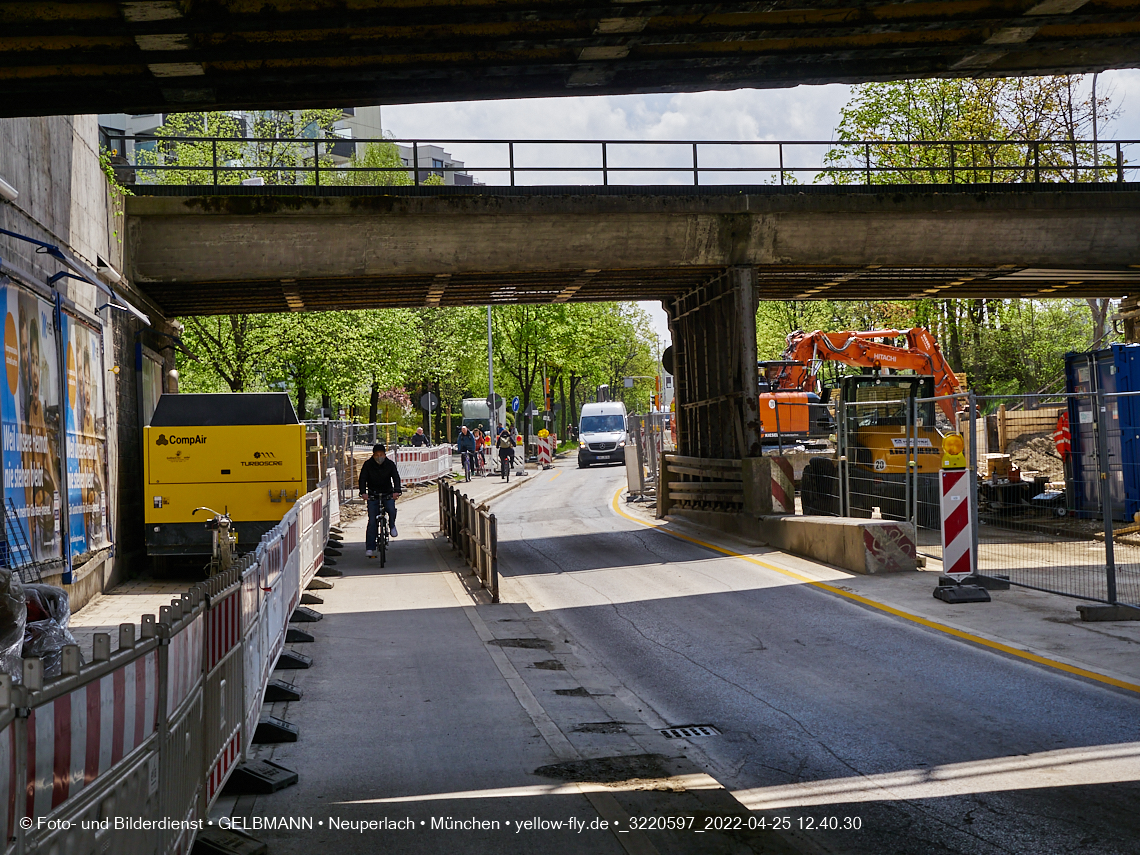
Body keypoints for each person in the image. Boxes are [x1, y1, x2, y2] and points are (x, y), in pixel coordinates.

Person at [359, 443, 402, 555]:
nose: (379, 457)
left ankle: (392, 525)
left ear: (385, 454)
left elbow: (396, 478)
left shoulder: (390, 464)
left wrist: (396, 491)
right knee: (372, 521)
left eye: (381, 454)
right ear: (373, 455)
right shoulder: (368, 465)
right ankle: (370, 547)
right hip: (373, 494)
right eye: (377, 455)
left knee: (391, 509)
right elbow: (362, 479)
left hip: (387, 493)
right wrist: (363, 493)